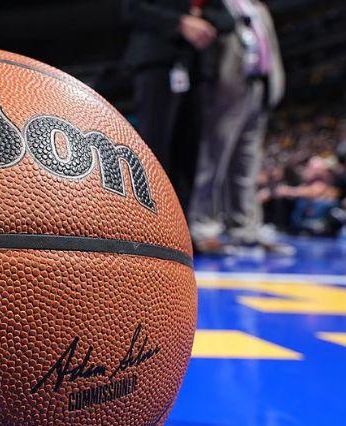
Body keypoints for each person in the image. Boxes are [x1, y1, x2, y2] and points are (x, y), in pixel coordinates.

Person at [188, 0, 291, 255]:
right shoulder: (215, 5)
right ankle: (203, 226)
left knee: (247, 164)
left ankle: (244, 228)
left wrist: (274, 85)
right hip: (227, 87)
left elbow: (272, 49)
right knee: (213, 159)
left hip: (260, 85)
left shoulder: (259, 8)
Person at [122, 0, 236, 207]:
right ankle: (151, 222)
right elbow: (132, 10)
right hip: (157, 64)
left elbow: (228, 20)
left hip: (196, 70)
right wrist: (180, 22)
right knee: (154, 150)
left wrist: (200, 19)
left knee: (189, 152)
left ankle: (182, 228)